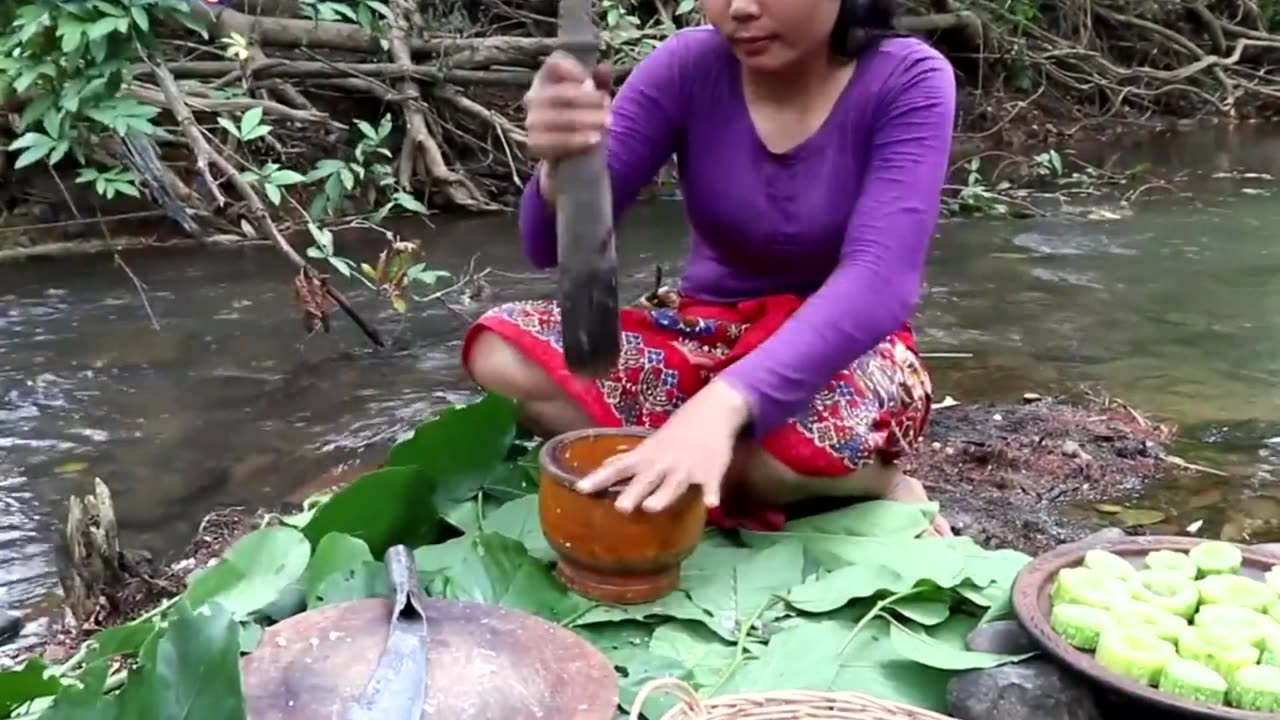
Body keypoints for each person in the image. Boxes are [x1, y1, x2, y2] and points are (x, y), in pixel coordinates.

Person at [462, 0, 956, 536]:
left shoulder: (908, 78)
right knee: (501, 351)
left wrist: (718, 410)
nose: (739, 9)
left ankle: (879, 482)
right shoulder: (687, 66)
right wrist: (561, 168)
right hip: (709, 335)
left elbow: (878, 280)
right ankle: (712, 465)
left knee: (784, 456)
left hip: (846, 353)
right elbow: (548, 246)